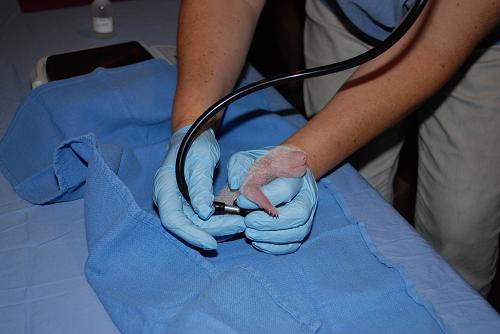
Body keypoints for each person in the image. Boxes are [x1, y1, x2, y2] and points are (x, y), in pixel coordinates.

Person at [153, 0, 500, 295]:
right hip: (347, 15)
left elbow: (433, 46)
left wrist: (289, 158)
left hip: (476, 40)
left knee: (461, 229)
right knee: (348, 201)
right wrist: (192, 123)